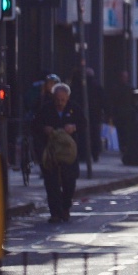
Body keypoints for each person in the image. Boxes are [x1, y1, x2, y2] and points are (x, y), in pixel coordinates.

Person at [37, 80, 80, 222]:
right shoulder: (46, 109)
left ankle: (65, 207)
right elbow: (35, 125)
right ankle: (55, 212)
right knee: (52, 182)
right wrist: (44, 129)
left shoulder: (74, 108)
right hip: (52, 152)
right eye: (57, 100)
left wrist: (73, 127)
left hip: (68, 152)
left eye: (63, 100)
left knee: (69, 180)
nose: (60, 103)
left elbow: (84, 123)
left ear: (67, 98)